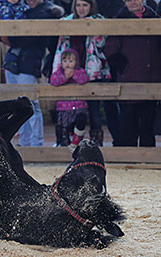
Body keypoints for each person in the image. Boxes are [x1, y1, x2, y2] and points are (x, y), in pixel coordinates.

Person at [52, 0, 119, 146]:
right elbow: (59, 45)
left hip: (93, 72)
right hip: (70, 71)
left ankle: (95, 145)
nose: (81, 9)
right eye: (78, 5)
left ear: (91, 6)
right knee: (70, 110)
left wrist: (93, 27)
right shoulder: (67, 22)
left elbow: (103, 44)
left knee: (95, 112)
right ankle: (68, 142)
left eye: (85, 5)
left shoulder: (99, 20)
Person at [3, 0, 64, 147]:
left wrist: (9, 36)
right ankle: (25, 142)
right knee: (19, 105)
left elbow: (29, 37)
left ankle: (36, 144)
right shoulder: (25, 10)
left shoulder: (46, 12)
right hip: (15, 62)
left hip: (28, 62)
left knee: (31, 104)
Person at [105, 0, 161, 147]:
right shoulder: (119, 20)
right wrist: (124, 68)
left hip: (152, 80)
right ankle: (127, 160)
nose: (133, 2)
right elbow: (110, 49)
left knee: (147, 127)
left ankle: (147, 161)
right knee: (128, 125)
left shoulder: (154, 18)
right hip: (129, 80)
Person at [50, 49, 89, 151]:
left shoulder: (80, 71)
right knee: (63, 129)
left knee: (80, 122)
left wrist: (73, 74)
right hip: (63, 107)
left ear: (76, 62)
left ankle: (76, 143)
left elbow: (84, 79)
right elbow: (53, 81)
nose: (67, 64)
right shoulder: (58, 73)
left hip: (79, 106)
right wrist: (65, 77)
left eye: (71, 61)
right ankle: (62, 145)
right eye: (65, 61)